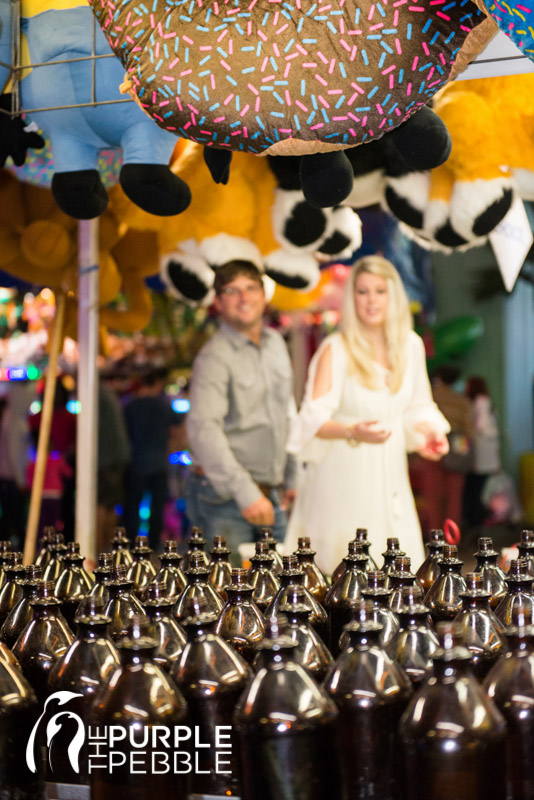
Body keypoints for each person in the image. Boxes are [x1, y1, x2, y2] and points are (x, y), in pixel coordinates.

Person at [284, 255, 450, 575]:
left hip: (391, 479)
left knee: (397, 575)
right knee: (343, 575)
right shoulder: (336, 348)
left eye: (379, 290)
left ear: (394, 296)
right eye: (362, 291)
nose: (371, 300)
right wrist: (352, 432)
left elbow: (418, 405)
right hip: (343, 477)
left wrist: (431, 432)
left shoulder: (410, 346)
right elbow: (311, 420)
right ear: (352, 298)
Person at [186, 259, 296, 561]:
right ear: (219, 302)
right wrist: (246, 492)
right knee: (228, 597)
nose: (244, 298)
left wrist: (292, 474)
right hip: (226, 497)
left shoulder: (276, 344)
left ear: (264, 295)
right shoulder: (214, 356)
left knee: (279, 593)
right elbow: (204, 430)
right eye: (232, 291)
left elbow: (287, 412)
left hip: (273, 491)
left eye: (251, 288)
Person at [123, 367, 182, 550]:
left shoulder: (131, 405)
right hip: (159, 463)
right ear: (157, 384)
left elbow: (125, 434)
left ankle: (131, 544)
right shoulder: (164, 405)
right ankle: (154, 544)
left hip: (137, 461)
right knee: (157, 507)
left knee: (133, 506)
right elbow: (177, 431)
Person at [416, 365, 474, 534]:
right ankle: (452, 539)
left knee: (433, 497)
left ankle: (436, 540)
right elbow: (469, 431)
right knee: (454, 498)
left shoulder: (431, 398)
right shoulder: (463, 401)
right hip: (458, 446)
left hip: (432, 445)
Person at [463, 375, 501, 527]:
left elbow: (483, 426)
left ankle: (475, 524)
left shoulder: (481, 402)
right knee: (475, 491)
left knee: (474, 492)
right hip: (483, 455)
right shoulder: (484, 401)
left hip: (481, 455)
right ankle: (475, 524)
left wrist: (470, 428)